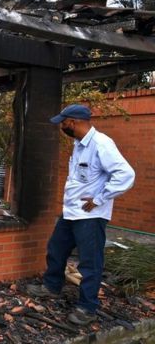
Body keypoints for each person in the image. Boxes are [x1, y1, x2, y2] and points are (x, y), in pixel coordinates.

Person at [27, 104, 135, 326]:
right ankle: (51, 286)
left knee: (90, 262)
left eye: (63, 123)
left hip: (91, 216)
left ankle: (87, 308)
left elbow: (126, 174)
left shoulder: (101, 144)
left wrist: (99, 199)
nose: (62, 127)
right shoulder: (79, 145)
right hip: (71, 212)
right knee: (56, 248)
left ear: (73, 122)